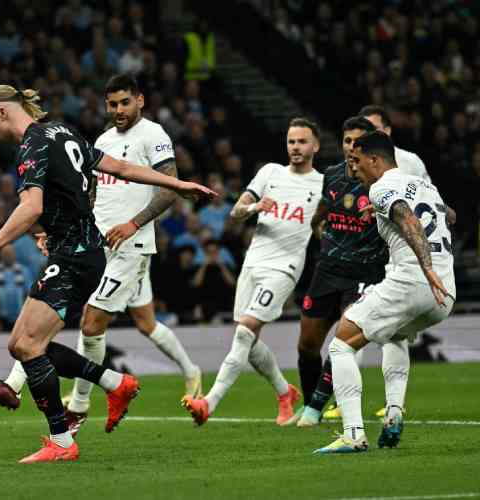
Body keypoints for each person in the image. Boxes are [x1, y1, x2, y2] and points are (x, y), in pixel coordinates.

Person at [0, 84, 214, 463]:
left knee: (27, 346)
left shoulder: (33, 144)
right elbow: (121, 168)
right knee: (25, 345)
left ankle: (63, 441)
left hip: (75, 255)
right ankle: (114, 383)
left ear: (2, 112)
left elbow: (31, 207)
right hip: (83, 251)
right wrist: (177, 183)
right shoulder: (63, 131)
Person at [315, 131, 454, 453]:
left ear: (374, 160)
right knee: (394, 336)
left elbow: (409, 220)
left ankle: (353, 434)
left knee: (340, 345)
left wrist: (426, 267)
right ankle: (393, 413)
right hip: (444, 293)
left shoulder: (381, 187)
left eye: (357, 161)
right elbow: (449, 216)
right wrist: (380, 213)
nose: (353, 169)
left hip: (414, 280)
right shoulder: (425, 185)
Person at [181, 118, 324, 427]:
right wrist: (254, 208)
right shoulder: (270, 172)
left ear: (315, 146)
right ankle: (285, 392)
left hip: (284, 267)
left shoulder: (323, 184)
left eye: (302, 141)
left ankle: (209, 402)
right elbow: (235, 212)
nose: (295, 147)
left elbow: (323, 228)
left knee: (245, 331)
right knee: (246, 338)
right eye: (291, 141)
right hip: (253, 262)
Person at [291, 116, 383, 426]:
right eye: (347, 141)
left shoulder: (381, 181)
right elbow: (325, 206)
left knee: (342, 340)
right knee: (307, 345)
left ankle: (315, 409)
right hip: (327, 269)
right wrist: (317, 222)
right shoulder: (331, 175)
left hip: (364, 273)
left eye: (358, 142)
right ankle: (309, 404)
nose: (351, 147)